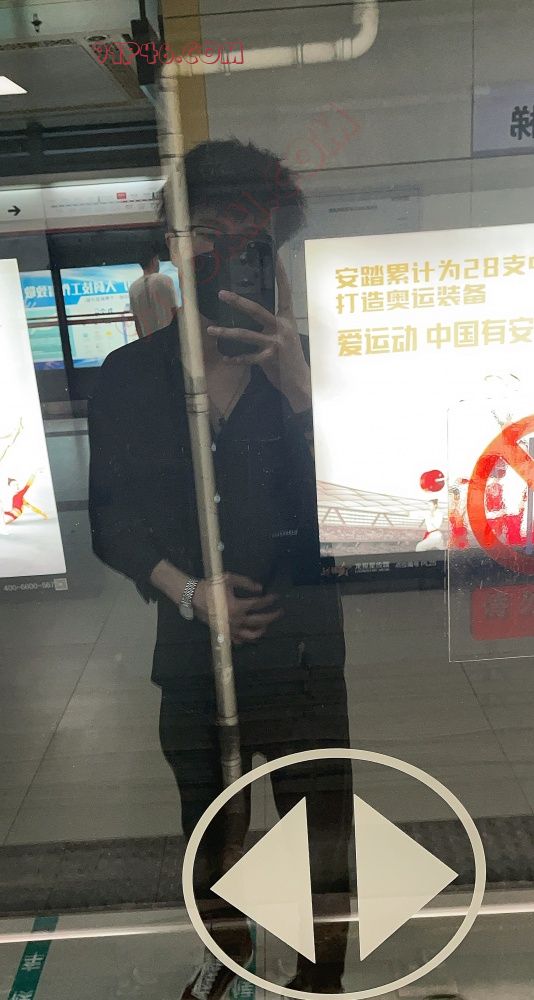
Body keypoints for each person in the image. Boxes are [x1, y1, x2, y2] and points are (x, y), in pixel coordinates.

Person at [88, 138, 352, 999]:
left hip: (305, 656)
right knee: (210, 832)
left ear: (277, 249)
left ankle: (321, 981)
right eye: (211, 231)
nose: (231, 251)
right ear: (177, 242)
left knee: (323, 839)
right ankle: (227, 963)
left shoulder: (321, 367)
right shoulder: (129, 377)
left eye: (252, 237)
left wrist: (302, 390)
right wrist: (189, 591)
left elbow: (370, 513)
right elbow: (110, 522)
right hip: (191, 657)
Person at [128, 242, 178, 339]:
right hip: (168, 336)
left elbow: (137, 321)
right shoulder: (164, 280)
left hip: (149, 340)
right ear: (154, 260)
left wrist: (142, 341)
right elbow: (174, 311)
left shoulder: (133, 288)